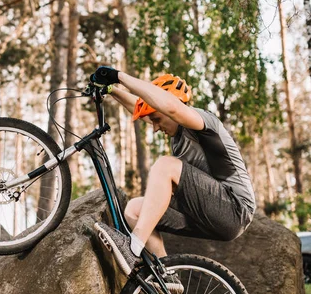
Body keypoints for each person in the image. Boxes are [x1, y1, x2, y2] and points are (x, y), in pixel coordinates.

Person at [90, 66, 256, 273]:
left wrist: (118, 77)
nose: (155, 127)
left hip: (235, 209)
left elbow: (171, 108)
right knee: (135, 209)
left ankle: (132, 248)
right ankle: (167, 280)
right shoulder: (177, 137)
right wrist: (111, 91)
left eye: (157, 120)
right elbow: (143, 107)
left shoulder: (202, 121)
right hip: (206, 214)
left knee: (165, 165)